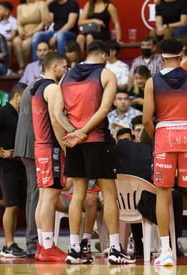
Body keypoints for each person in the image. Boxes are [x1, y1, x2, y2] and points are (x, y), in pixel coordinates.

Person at [53, 40, 135, 264]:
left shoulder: (66, 77)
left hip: (74, 141)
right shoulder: (107, 74)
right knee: (109, 193)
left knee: (78, 194)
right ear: (104, 56)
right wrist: (83, 132)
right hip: (97, 139)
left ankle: (73, 249)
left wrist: (74, 132)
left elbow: (58, 112)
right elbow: (104, 109)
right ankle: (115, 250)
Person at [143, 38, 187, 266]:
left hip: (164, 134)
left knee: (162, 195)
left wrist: (159, 137)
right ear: (181, 55)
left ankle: (165, 252)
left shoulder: (153, 82)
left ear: (161, 55)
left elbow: (146, 120)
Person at [31, 52, 68, 262]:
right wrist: (65, 148)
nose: (66, 71)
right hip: (51, 146)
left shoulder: (36, 86)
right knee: (50, 197)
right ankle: (47, 247)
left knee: (44, 197)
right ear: (54, 66)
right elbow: (56, 120)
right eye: (64, 67)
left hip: (40, 146)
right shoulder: (53, 88)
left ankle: (42, 245)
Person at [0, 83, 27, 258]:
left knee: (15, 205)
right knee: (11, 205)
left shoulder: (20, 114)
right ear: (17, 96)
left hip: (19, 164)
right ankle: (9, 245)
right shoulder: (2, 112)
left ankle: (12, 243)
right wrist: (0, 151)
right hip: (7, 165)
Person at [13, 81, 38, 258]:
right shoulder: (41, 87)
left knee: (34, 194)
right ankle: (33, 243)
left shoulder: (33, 86)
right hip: (32, 148)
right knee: (35, 195)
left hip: (27, 147)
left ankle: (36, 242)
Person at [12, 0, 46, 75]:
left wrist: (32, 33)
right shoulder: (20, 7)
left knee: (25, 44)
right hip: (23, 33)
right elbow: (19, 23)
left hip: (36, 33)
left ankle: (27, 67)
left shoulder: (40, 4)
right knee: (16, 41)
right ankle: (22, 66)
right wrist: (21, 32)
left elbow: (43, 23)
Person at [0, 1, 17, 68]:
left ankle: (8, 67)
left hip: (8, 41)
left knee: (8, 45)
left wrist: (3, 40)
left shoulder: (13, 21)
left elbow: (12, 35)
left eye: (0, 9)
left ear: (6, 12)